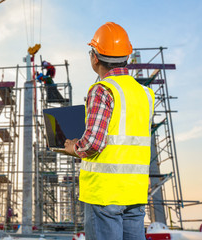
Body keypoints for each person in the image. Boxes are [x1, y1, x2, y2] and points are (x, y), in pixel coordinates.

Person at [63, 22, 154, 240]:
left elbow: (93, 143)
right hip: (135, 192)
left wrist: (73, 148)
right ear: (128, 58)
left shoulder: (103, 89)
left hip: (105, 194)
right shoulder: (146, 94)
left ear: (95, 58)